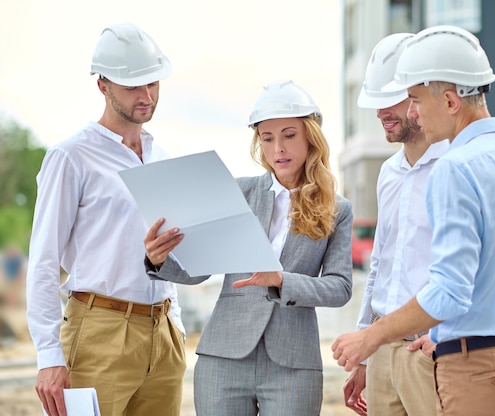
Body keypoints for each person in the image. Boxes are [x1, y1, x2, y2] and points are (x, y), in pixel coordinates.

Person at [332, 25, 495, 416]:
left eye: (413, 99)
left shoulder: (455, 167)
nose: (411, 110)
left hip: (477, 366)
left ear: (449, 101)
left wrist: (369, 337)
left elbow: (449, 291)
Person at [143, 80, 353, 416]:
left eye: (289, 135)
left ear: (311, 136)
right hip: (223, 357)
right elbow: (198, 270)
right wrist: (158, 261)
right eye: (267, 138)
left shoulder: (337, 209)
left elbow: (340, 288)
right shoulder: (237, 192)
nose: (277, 148)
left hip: (293, 363)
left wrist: (282, 280)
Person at [26, 23, 186, 416]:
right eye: (132, 86)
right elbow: (44, 261)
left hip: (163, 334)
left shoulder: (162, 156)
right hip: (99, 328)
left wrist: (176, 324)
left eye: (152, 82)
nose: (146, 96)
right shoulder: (71, 157)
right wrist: (49, 356)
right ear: (103, 85)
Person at [343, 33, 448, 416]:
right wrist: (365, 351)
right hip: (384, 350)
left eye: (394, 99)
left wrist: (445, 337)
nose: (380, 112)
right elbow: (381, 268)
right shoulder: (388, 173)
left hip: (432, 349)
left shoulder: (458, 166)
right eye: (376, 101)